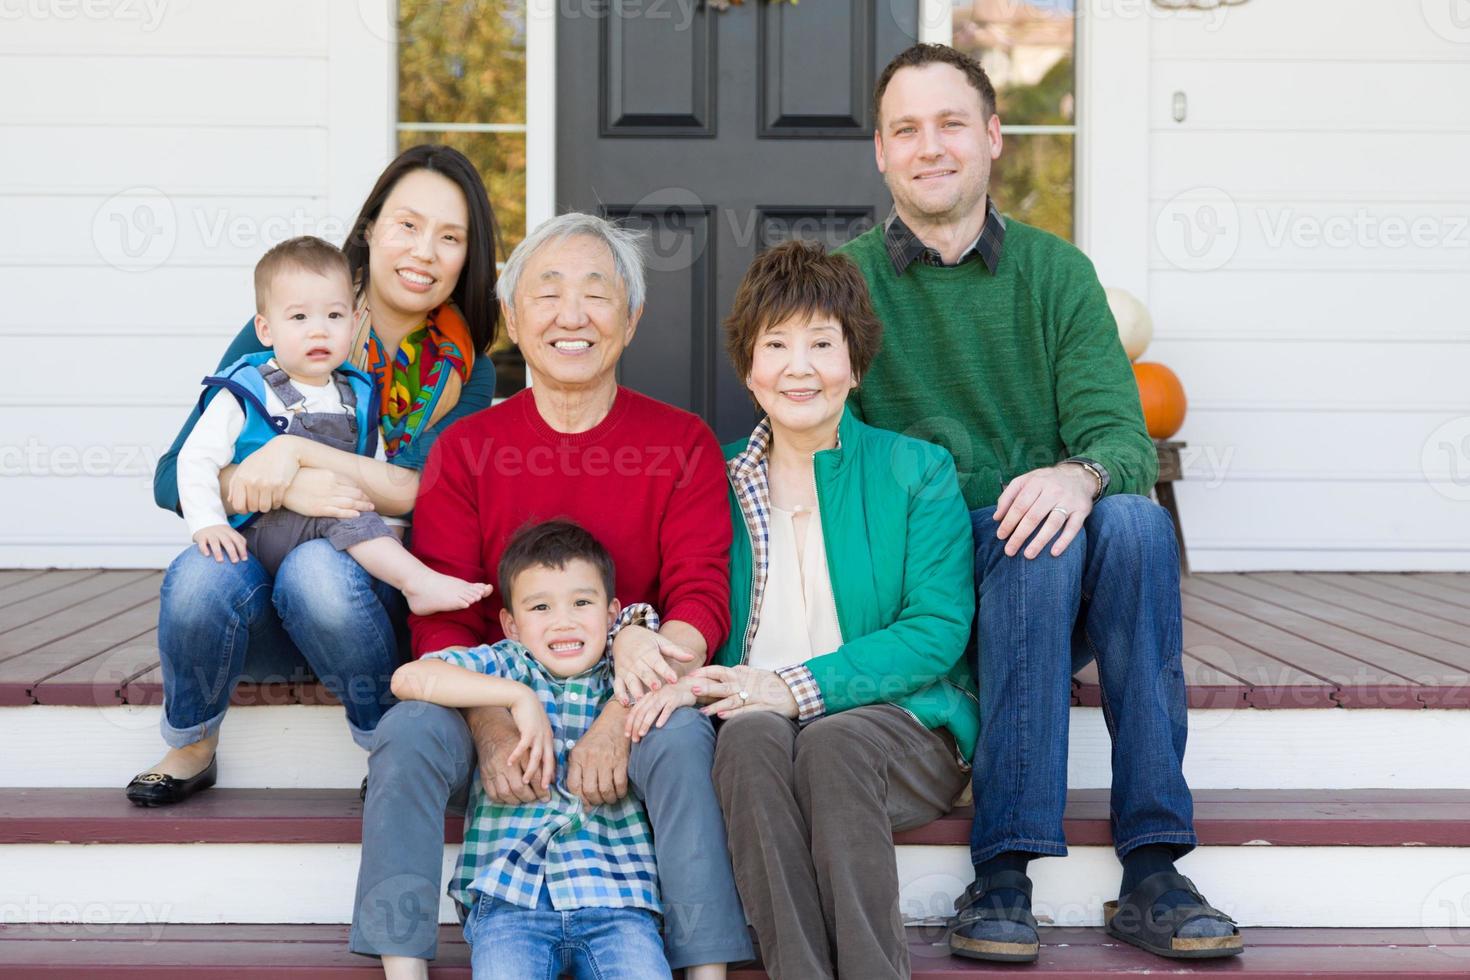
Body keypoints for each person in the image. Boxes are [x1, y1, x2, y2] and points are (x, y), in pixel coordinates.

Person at [834, 44, 1243, 962]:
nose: (929, 147)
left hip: (1056, 570)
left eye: (950, 124)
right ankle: (1006, 863)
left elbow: (1123, 441)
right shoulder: (846, 283)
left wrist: (1078, 475)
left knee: (1131, 520)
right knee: (1035, 537)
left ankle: (1153, 866)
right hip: (931, 579)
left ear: (993, 137)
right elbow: (831, 456)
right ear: (880, 151)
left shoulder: (1057, 275)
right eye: (907, 129)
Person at [352, 212, 752, 980]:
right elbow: (443, 623)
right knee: (404, 732)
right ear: (512, 317)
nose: (572, 317)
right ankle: (401, 965)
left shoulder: (681, 443)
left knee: (681, 741)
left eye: (597, 295)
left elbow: (700, 605)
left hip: (634, 697)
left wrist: (617, 719)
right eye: (548, 294)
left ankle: (704, 968)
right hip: (501, 694)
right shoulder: (468, 449)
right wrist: (493, 726)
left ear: (630, 319)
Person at [626, 240, 979, 980]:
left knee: (831, 743)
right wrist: (632, 627)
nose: (799, 366)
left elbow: (937, 630)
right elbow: (663, 588)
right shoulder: (710, 478)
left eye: (822, 343)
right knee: (750, 741)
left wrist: (794, 687)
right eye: (776, 345)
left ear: (854, 363)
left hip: (901, 728)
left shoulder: (917, 470)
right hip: (753, 718)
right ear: (749, 370)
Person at [127, 145, 502, 806]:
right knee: (196, 578)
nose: (424, 251)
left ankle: (393, 744)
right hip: (256, 604)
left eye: (450, 238)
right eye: (407, 225)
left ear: (467, 259)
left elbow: (422, 491)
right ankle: (192, 743)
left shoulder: (468, 371)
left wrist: (299, 456)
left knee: (316, 573)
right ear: (370, 230)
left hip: (362, 607)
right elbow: (172, 476)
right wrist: (276, 483)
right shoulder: (289, 319)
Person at [391, 520, 671, 980]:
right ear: (512, 625)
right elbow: (409, 679)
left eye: (582, 602)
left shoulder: (626, 675)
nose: (563, 621)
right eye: (540, 607)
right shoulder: (502, 664)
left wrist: (630, 638)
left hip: (618, 900)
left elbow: (656, 636)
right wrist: (514, 697)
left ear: (610, 613)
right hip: (510, 904)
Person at [169, 235, 491, 611]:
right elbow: (195, 459)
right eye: (299, 317)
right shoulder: (245, 390)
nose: (319, 330)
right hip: (254, 530)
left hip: (329, 540)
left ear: (354, 323)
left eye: (334, 316)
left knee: (351, 512)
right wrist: (208, 522)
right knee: (197, 579)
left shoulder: (357, 395)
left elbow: (375, 471)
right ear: (266, 329)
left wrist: (391, 531)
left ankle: (413, 582)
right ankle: (417, 581)